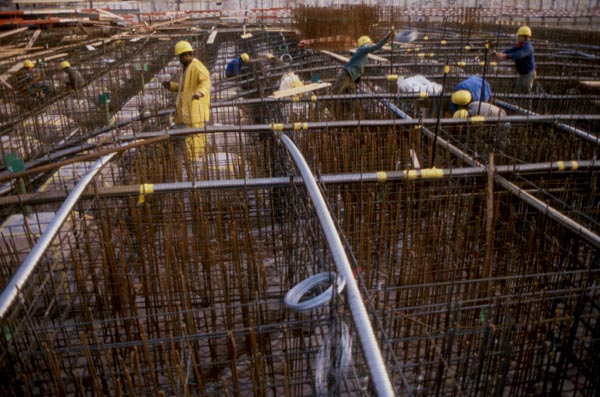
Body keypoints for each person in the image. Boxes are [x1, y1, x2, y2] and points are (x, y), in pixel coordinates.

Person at [162, 40, 211, 158]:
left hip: (195, 112)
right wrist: (172, 86)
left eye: (180, 57)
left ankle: (195, 160)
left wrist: (200, 93)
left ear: (186, 55)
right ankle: (193, 159)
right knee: (190, 137)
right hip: (188, 112)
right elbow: (185, 88)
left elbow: (206, 82)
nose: (179, 60)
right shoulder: (187, 67)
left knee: (195, 137)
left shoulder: (196, 66)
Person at [495, 26, 536, 94]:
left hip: (528, 74)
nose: (518, 37)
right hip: (522, 73)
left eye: (520, 36)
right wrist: (501, 53)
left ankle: (526, 104)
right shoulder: (520, 45)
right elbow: (511, 50)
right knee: (518, 92)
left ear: (525, 37)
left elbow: (519, 54)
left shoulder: (528, 47)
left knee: (525, 94)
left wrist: (505, 56)